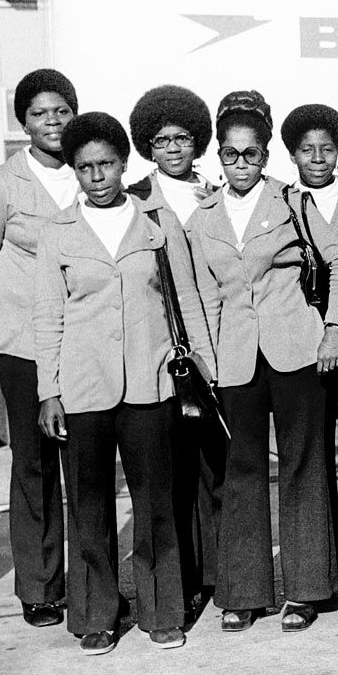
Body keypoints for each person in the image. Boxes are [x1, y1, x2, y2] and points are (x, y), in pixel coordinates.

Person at [33, 112, 213, 654]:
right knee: (89, 503)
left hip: (150, 382)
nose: (96, 176)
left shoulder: (158, 225)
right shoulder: (56, 234)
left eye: (106, 164)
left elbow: (187, 301)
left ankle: (163, 610)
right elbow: (49, 317)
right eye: (84, 167)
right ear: (75, 171)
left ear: (123, 163)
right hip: (85, 387)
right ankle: (96, 615)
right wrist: (49, 390)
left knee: (156, 501)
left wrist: (202, 369)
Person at [185, 90, 338, 633]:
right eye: (230, 155)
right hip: (234, 360)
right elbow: (202, 295)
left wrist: (332, 330)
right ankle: (245, 592)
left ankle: (307, 590)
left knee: (305, 465)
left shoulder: (292, 202)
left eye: (251, 154)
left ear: (265, 157)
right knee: (242, 471)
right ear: (217, 156)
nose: (240, 164)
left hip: (297, 351)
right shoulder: (202, 217)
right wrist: (209, 363)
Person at [0, 68, 79, 629]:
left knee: (85, 464)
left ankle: (89, 584)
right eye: (39, 113)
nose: (52, 122)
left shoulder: (93, 174)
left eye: (61, 110)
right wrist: (33, 304)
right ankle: (38, 587)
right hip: (23, 346)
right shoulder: (0, 185)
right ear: (23, 123)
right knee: (33, 464)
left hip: (86, 342)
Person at [126, 85, 221, 610]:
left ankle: (218, 574)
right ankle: (180, 582)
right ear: (147, 144)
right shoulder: (136, 199)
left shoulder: (218, 195)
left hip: (220, 345)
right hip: (166, 354)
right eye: (161, 139)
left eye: (183, 137)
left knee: (217, 465)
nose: (174, 148)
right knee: (172, 471)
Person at [280, 102, 338, 589]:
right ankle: (324, 557)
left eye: (326, 148)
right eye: (306, 150)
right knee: (315, 449)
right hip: (306, 336)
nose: (317, 158)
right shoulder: (283, 202)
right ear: (292, 155)